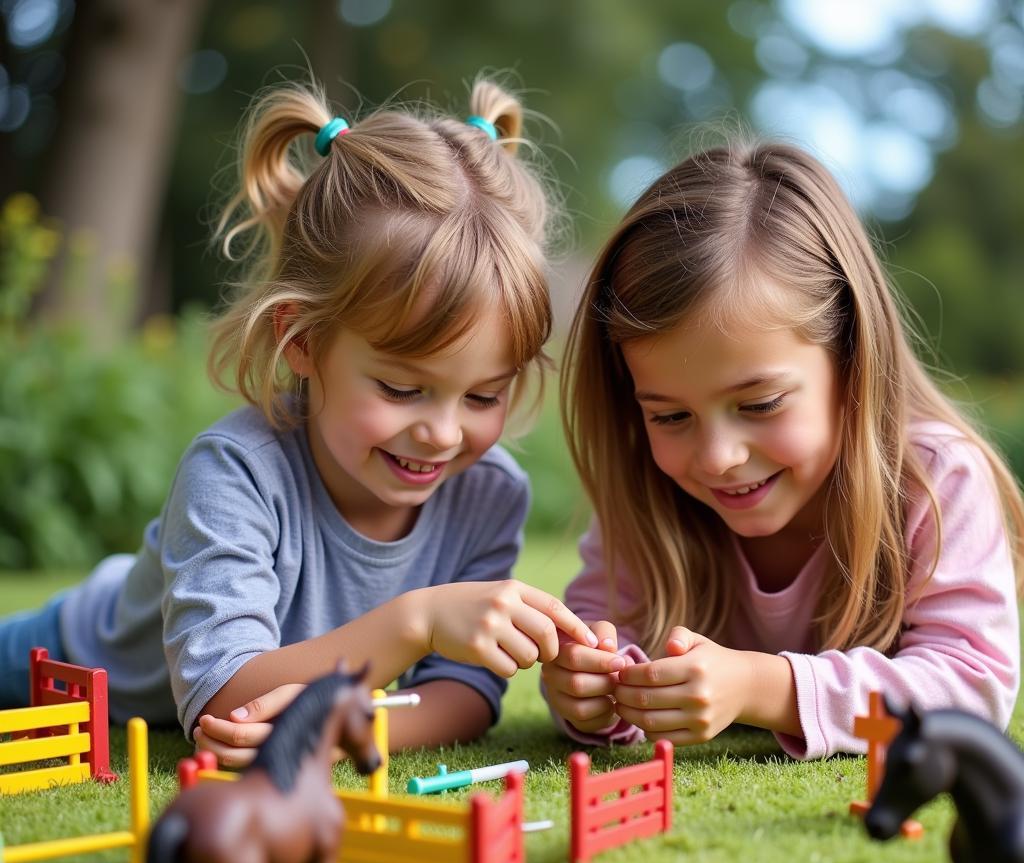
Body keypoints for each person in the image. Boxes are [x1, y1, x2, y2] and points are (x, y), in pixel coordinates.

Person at [0, 75, 601, 765]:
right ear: (303, 340)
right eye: (403, 389)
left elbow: (464, 696)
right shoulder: (235, 472)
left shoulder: (487, 492)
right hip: (74, 653)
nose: (442, 432)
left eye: (484, 396)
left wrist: (337, 732)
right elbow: (224, 696)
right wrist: (417, 623)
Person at [542, 139, 1024, 760]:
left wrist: (765, 688)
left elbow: (972, 686)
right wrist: (592, 688)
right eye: (670, 415)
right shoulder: (647, 488)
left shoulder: (936, 477)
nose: (717, 457)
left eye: (760, 404)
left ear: (853, 360)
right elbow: (600, 638)